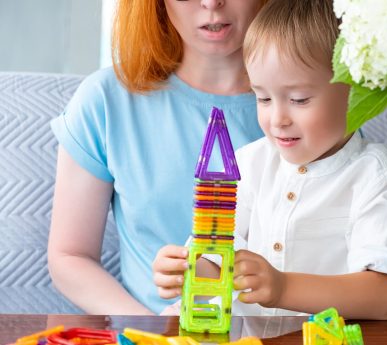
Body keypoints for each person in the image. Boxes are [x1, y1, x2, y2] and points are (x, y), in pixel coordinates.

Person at [153, 0, 387, 319]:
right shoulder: (250, 164)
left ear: (357, 89)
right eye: (263, 98)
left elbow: (386, 293)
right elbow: (218, 258)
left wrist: (282, 287)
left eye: (298, 99)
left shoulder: (375, 175)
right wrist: (188, 269)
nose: (277, 118)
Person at [48, 0, 266, 315]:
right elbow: (70, 257)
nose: (211, 3)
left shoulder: (316, 105)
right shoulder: (105, 100)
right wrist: (153, 332)